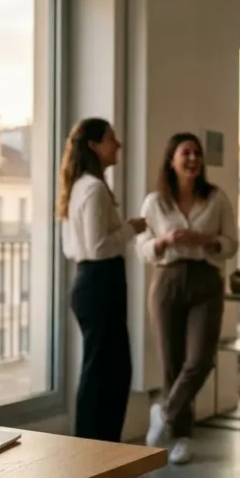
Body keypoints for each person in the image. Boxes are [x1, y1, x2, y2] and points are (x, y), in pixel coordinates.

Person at [136, 133, 237, 464]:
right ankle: (181, 437)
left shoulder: (216, 198)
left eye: (197, 154)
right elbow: (141, 248)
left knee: (201, 359)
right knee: (172, 362)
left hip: (206, 280)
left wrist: (204, 239)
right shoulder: (155, 202)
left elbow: (231, 243)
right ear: (172, 159)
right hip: (167, 280)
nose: (193, 159)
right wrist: (162, 241)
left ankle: (164, 413)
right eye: (186, 153)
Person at [59, 118, 148, 442]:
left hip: (91, 281)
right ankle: (99, 454)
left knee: (102, 370)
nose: (119, 144)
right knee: (108, 373)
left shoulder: (80, 185)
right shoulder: (94, 188)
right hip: (100, 281)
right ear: (95, 146)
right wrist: (131, 228)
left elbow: (79, 244)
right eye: (112, 138)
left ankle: (98, 452)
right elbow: (98, 246)